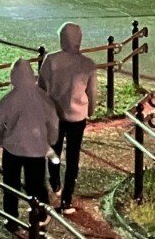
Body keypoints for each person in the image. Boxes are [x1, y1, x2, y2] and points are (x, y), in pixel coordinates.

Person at [38, 22, 98, 211]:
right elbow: (92, 93)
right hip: (77, 116)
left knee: (54, 151)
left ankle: (55, 182)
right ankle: (66, 199)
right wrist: (91, 110)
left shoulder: (51, 60)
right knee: (73, 158)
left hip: (55, 114)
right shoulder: (87, 64)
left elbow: (41, 87)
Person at [0, 58, 58, 223]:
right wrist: (50, 140)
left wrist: (0, 140)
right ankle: (39, 216)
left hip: (13, 147)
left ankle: (11, 217)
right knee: (36, 184)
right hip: (36, 148)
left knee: (10, 184)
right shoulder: (43, 98)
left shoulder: (7, 100)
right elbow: (53, 122)